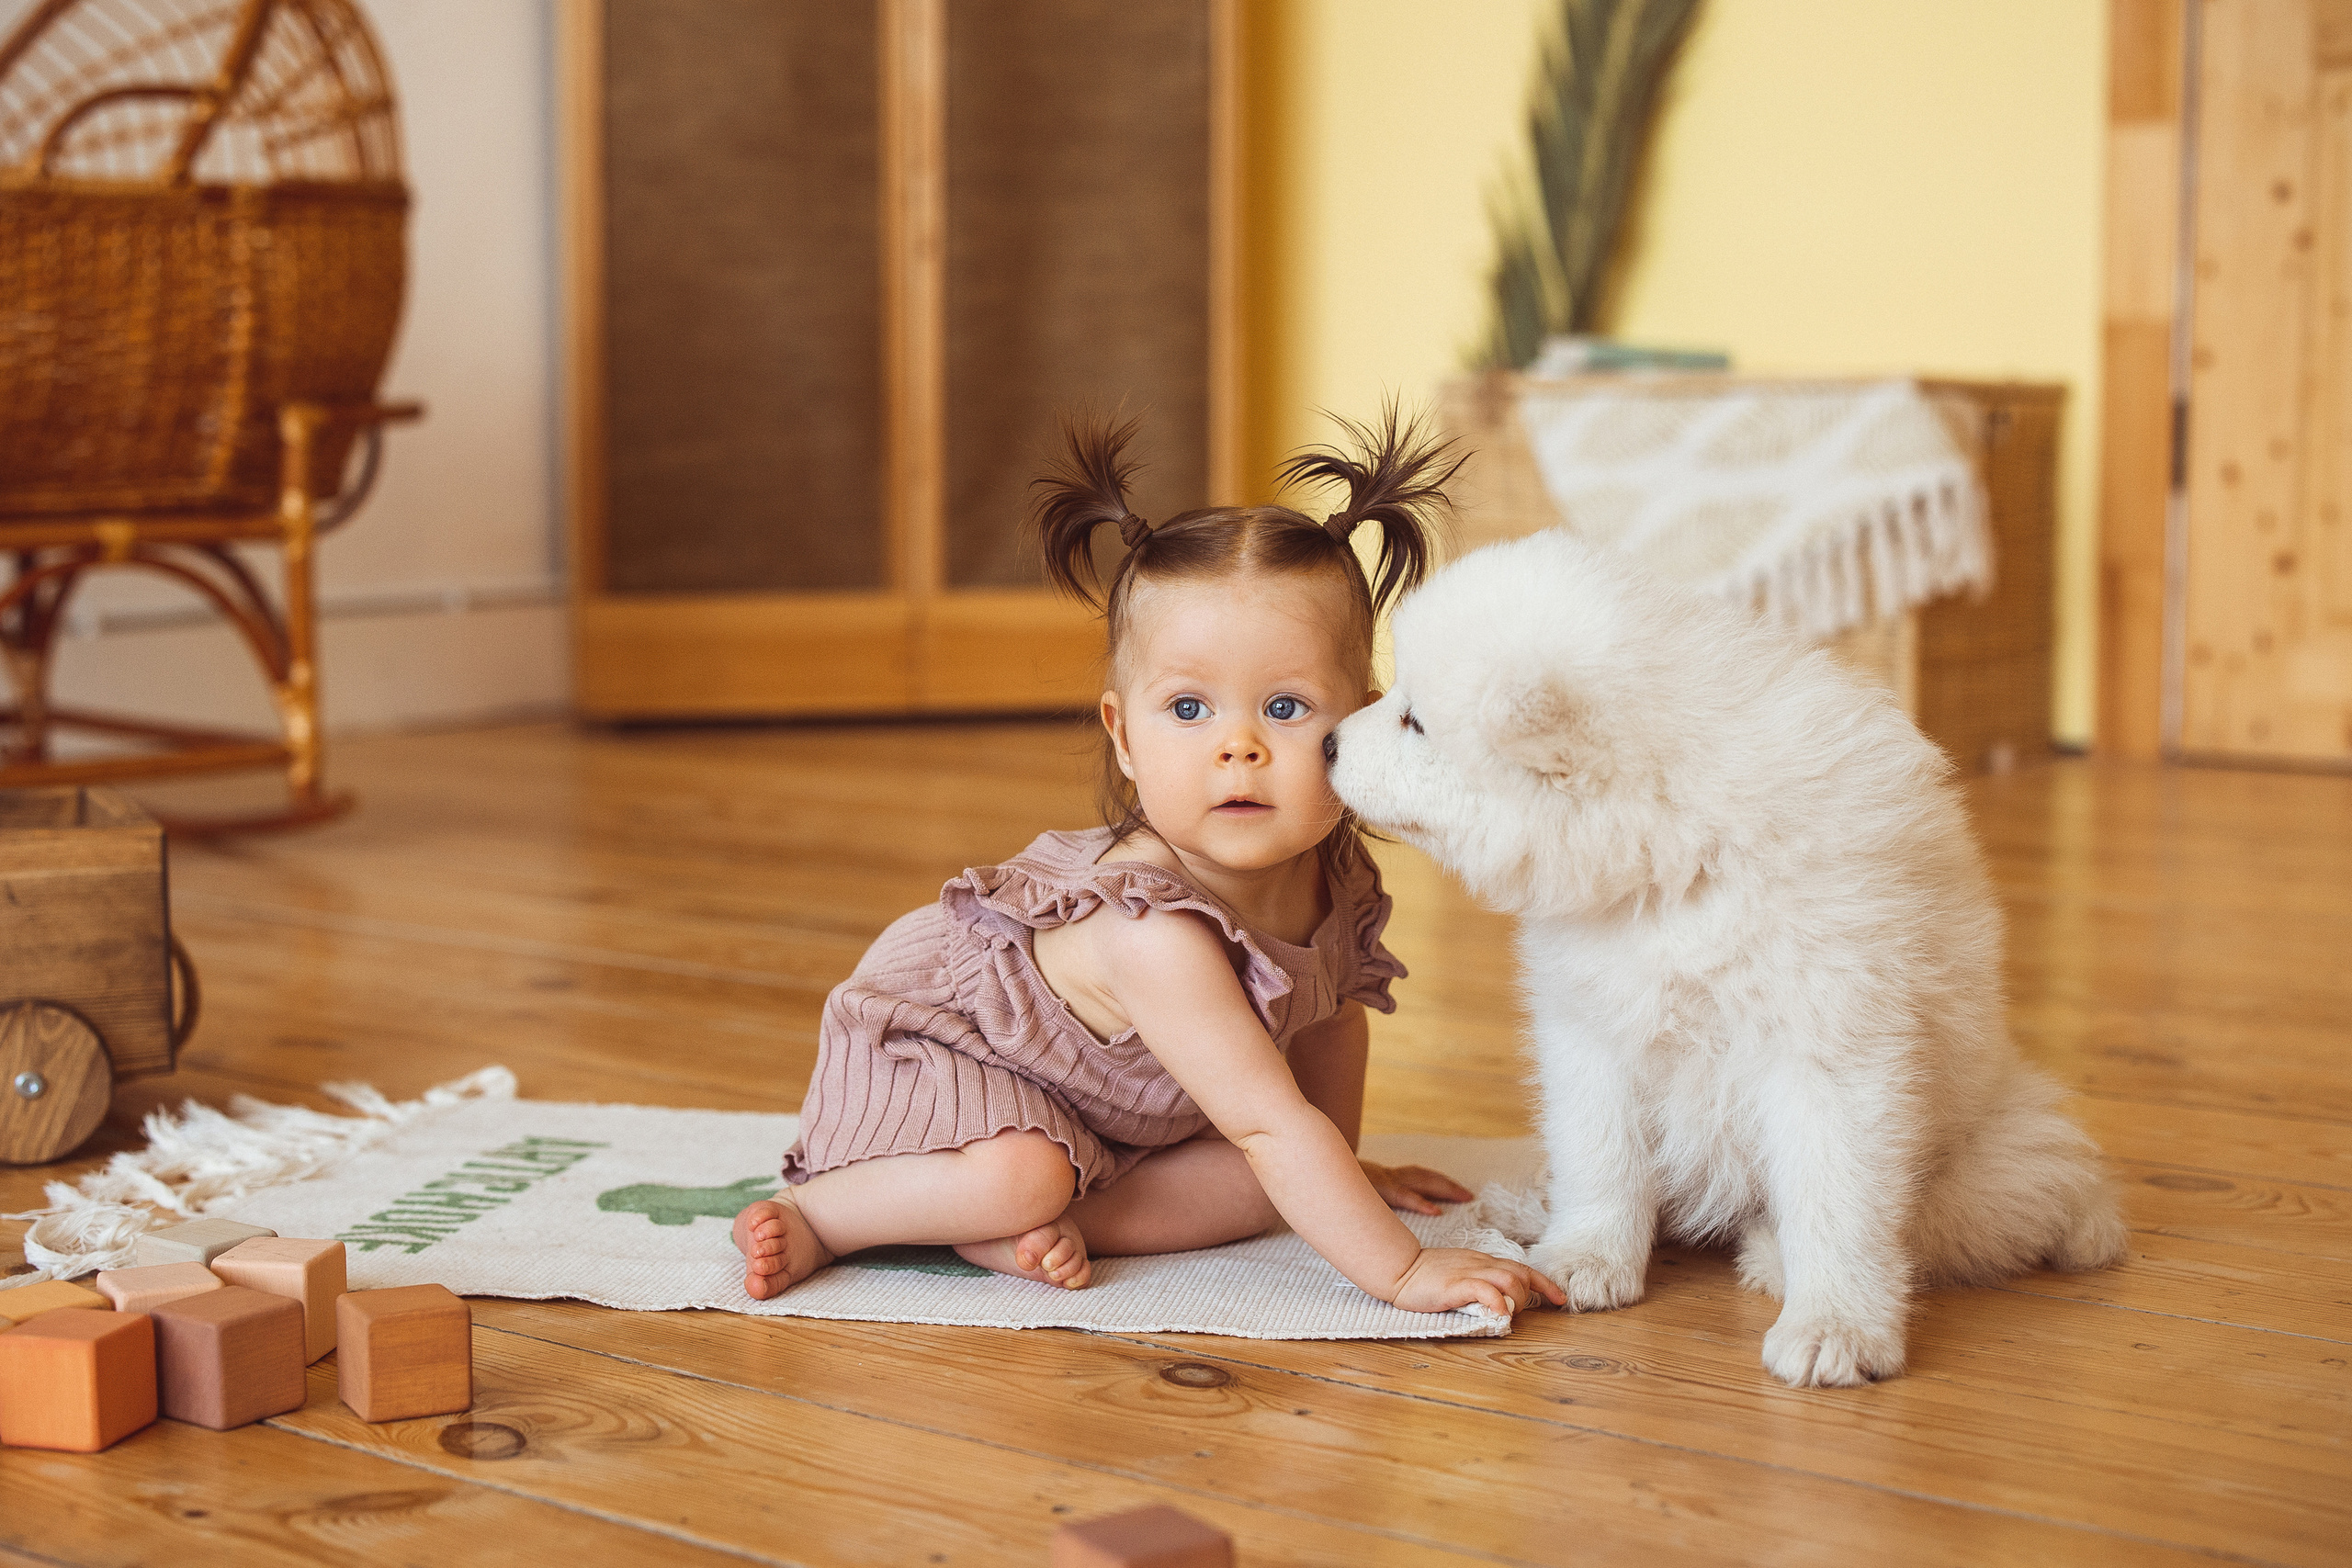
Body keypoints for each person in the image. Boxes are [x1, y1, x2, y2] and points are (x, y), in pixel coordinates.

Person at [733, 411, 1563, 1321]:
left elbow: (1327, 1025)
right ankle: (822, 1217)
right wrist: (1400, 1270)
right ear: (1123, 735)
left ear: (1357, 727)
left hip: (1105, 1124)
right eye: (1189, 709)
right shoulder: (1150, 926)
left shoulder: (1337, 882)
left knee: (1262, 1185)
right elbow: (1263, 1117)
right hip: (951, 1060)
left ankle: (1055, 1221)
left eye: (1285, 708)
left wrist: (1341, 1170)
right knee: (1025, 1175)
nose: (1238, 748)